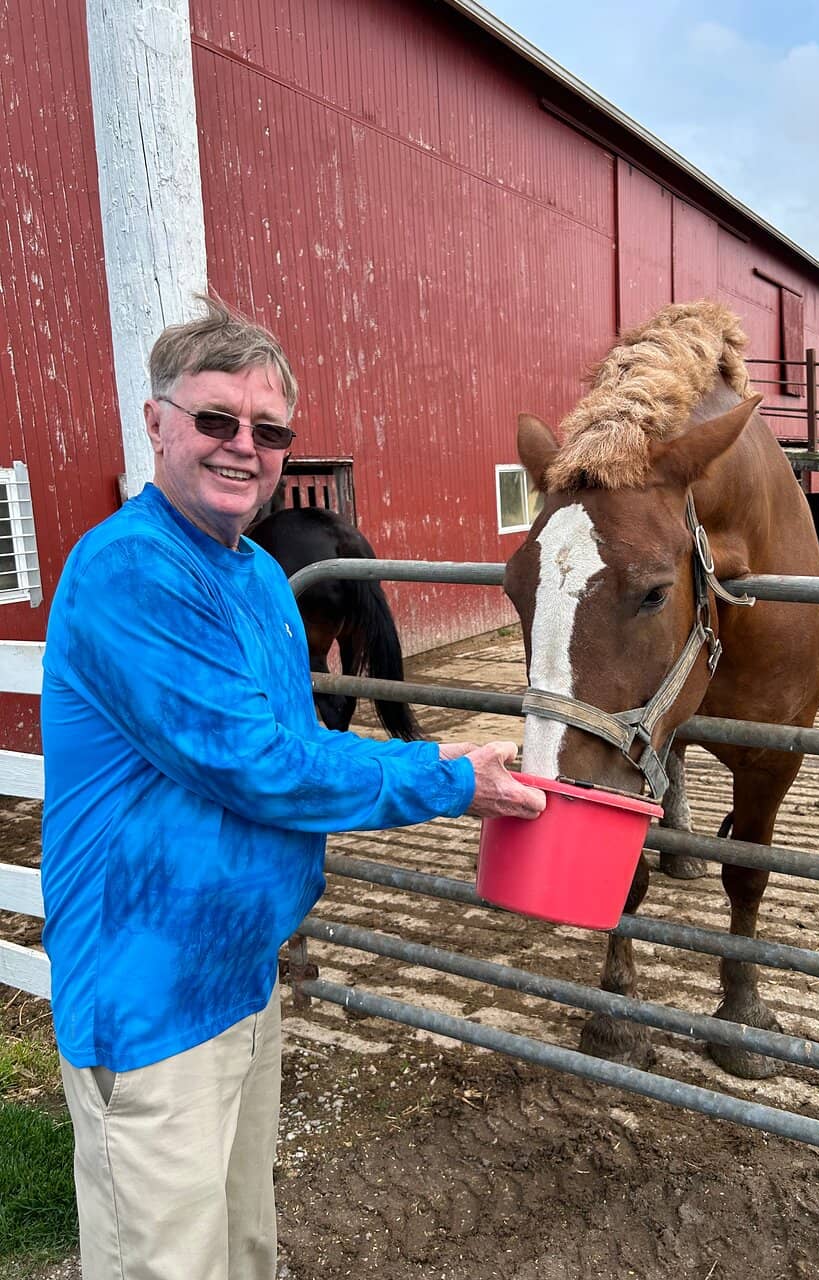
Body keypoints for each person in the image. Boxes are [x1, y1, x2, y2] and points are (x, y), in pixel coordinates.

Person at [40, 295, 545, 1280]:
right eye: (215, 419)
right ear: (156, 421)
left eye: (269, 431)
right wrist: (444, 776)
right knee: (165, 1262)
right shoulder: (132, 571)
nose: (244, 446)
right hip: (147, 995)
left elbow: (298, 739)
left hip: (241, 971)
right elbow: (258, 764)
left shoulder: (261, 576)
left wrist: (436, 759)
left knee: (244, 1246)